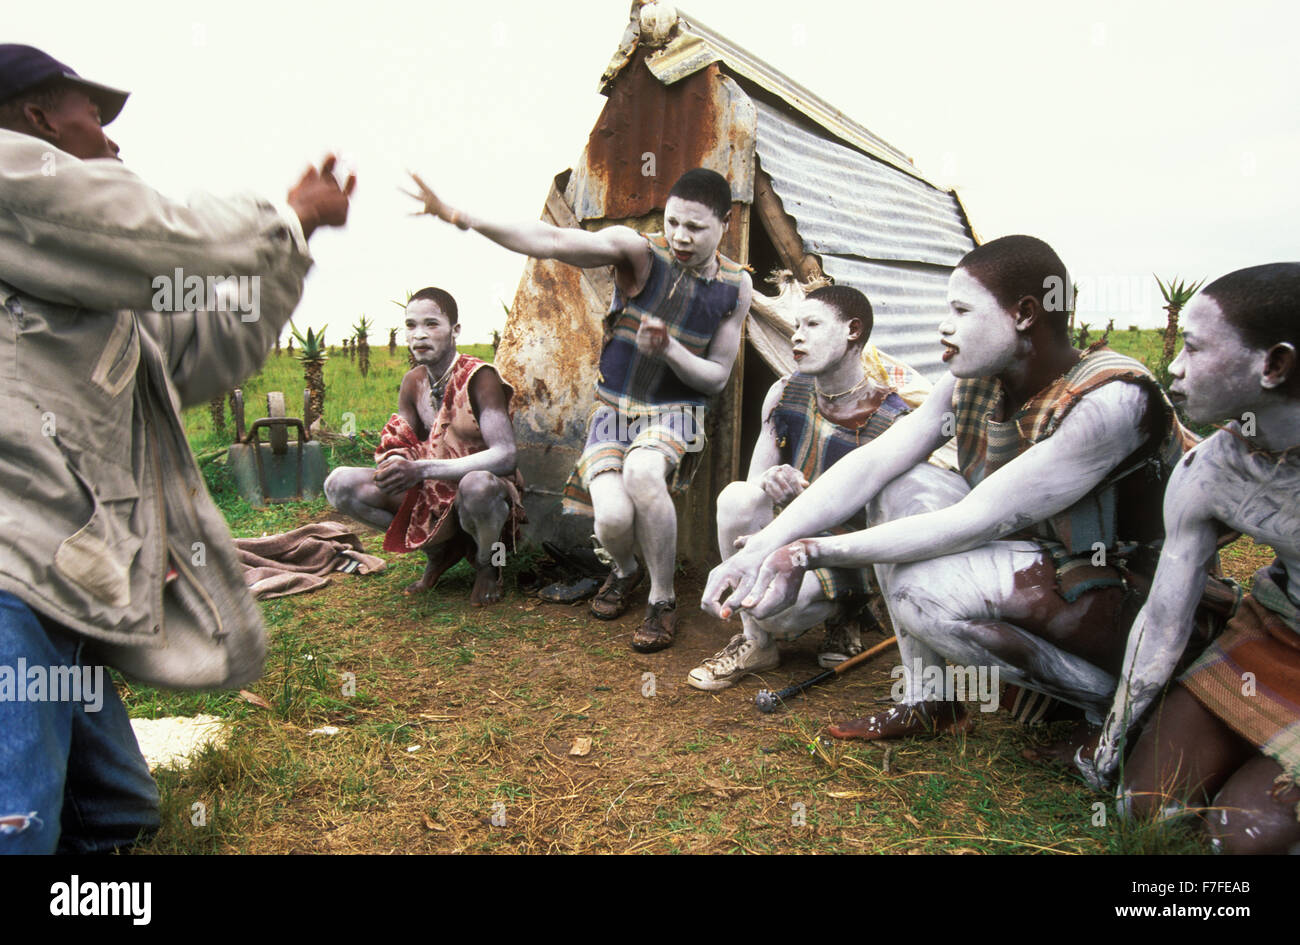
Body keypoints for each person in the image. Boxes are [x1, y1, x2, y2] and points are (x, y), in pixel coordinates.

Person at [0, 44, 353, 853]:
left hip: (53, 578)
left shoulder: (90, 277)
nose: (115, 141)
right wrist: (280, 215)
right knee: (16, 826)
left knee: (113, 814)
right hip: (10, 575)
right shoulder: (11, 178)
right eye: (94, 115)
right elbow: (157, 231)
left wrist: (289, 250)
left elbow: (199, 347)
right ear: (36, 118)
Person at [702, 235, 1186, 742]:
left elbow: (973, 520)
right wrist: (756, 549)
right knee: (900, 482)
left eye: (960, 309)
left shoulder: (1111, 401)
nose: (943, 325)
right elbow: (872, 465)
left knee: (921, 592)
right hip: (1043, 555)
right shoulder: (975, 381)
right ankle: (927, 700)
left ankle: (1122, 708)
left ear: (1024, 314)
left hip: (1125, 587)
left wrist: (804, 554)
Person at [405, 167, 752, 652]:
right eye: (673, 222)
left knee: (644, 474)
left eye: (695, 227)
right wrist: (462, 217)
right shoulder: (638, 251)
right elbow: (548, 239)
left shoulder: (736, 287)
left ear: (726, 223)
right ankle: (627, 571)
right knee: (610, 521)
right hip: (612, 411)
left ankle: (662, 598)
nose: (680, 236)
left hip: (676, 410)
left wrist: (670, 350)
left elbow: (716, 376)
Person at [1078, 263, 1300, 854]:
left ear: (1273, 365)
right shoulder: (1210, 471)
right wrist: (1111, 746)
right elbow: (1163, 621)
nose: (1172, 365)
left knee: (1241, 841)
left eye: (1194, 348)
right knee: (1143, 812)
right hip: (1278, 634)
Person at [687, 285, 909, 690]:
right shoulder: (786, 392)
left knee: (779, 612)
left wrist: (809, 500)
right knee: (737, 496)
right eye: (795, 326)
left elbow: (884, 523)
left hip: (845, 551)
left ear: (853, 331)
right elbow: (754, 484)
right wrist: (770, 484)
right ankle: (756, 641)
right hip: (784, 530)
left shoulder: (893, 419)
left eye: (812, 325)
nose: (796, 336)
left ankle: (848, 611)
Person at [323, 287, 525, 606]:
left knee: (477, 485)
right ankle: (439, 551)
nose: (420, 335)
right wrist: (395, 462)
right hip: (432, 495)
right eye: (411, 325)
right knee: (340, 484)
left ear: (455, 330)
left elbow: (505, 456)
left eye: (432, 324)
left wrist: (421, 468)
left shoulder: (480, 377)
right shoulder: (414, 381)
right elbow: (401, 440)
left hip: (480, 494)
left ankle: (489, 565)